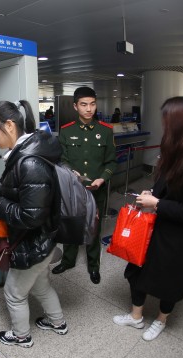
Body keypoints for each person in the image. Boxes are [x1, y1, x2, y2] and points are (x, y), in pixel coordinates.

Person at [0, 100, 67, 348]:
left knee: (14, 294)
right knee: (41, 286)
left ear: (9, 125)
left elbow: (30, 216)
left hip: (32, 243)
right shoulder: (26, 153)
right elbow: (11, 188)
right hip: (43, 241)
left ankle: (21, 336)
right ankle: (58, 323)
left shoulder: (29, 162)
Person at [113, 96, 183, 341]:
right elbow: (165, 187)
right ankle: (136, 316)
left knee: (170, 282)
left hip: (179, 238)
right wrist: (152, 194)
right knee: (136, 271)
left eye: (168, 121)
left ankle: (161, 319)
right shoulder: (174, 153)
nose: (164, 126)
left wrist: (157, 203)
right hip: (156, 228)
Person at [52, 86, 117, 284]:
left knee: (93, 228)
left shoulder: (105, 131)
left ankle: (93, 266)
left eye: (92, 104)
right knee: (71, 223)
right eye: (84, 105)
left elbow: (111, 162)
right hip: (73, 189)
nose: (89, 109)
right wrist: (71, 172)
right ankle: (68, 260)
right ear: (75, 106)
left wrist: (102, 178)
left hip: (96, 189)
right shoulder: (66, 130)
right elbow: (61, 159)